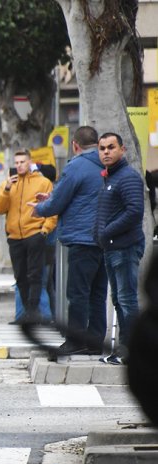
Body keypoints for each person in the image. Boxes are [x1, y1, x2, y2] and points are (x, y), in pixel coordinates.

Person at [31, 126, 107, 355]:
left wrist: (40, 209)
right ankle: (94, 343)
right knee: (98, 293)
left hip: (82, 239)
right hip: (105, 239)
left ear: (75, 145)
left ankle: (75, 341)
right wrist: (53, 195)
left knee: (78, 293)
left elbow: (58, 202)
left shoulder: (76, 165)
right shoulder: (107, 164)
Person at [94, 132, 144, 365]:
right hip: (111, 248)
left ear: (122, 150)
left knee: (127, 300)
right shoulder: (110, 177)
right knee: (118, 300)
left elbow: (134, 212)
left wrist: (106, 231)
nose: (106, 152)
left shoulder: (128, 177)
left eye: (111, 147)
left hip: (124, 247)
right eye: (102, 148)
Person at [0, 149, 57, 323]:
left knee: (35, 276)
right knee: (20, 276)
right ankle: (28, 313)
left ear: (30, 163)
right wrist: (6, 189)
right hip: (15, 237)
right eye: (17, 162)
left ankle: (35, 313)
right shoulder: (9, 184)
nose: (19, 165)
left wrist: (45, 230)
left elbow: (52, 209)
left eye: (22, 162)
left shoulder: (43, 182)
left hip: (35, 234)